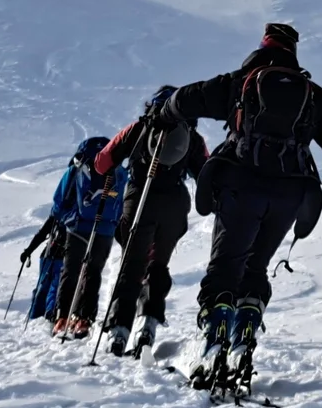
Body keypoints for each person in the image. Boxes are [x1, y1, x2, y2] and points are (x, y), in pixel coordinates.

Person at [160, 23, 322, 389]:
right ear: (293, 52)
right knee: (255, 267)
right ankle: (243, 341)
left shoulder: (240, 82)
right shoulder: (312, 94)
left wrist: (165, 111)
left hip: (241, 185)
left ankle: (213, 347)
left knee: (224, 269)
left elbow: (189, 98)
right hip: (290, 193)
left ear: (263, 46)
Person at [94, 88, 209, 357]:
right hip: (174, 205)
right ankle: (148, 323)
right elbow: (204, 171)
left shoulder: (138, 128)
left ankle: (119, 330)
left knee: (132, 265)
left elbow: (102, 163)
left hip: (139, 200)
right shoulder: (191, 136)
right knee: (158, 265)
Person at [42, 138, 127, 338]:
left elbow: (59, 201)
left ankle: (62, 317)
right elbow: (123, 202)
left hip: (78, 227)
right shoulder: (119, 172)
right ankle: (84, 319)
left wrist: (66, 219)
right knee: (93, 272)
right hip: (105, 230)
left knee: (70, 271)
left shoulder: (77, 168)